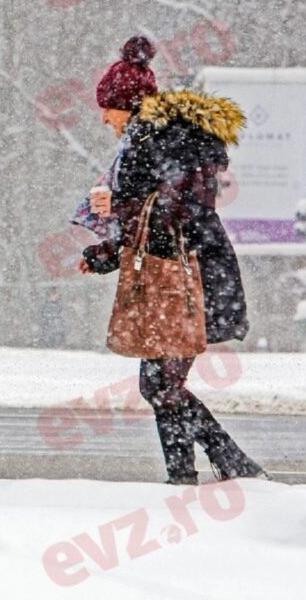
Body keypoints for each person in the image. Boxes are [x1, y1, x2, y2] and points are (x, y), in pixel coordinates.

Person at [78, 36, 266, 485]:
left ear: (129, 104)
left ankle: (235, 467)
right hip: (181, 277)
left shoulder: (167, 141)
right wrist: (104, 252)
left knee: (160, 385)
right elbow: (155, 214)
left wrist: (117, 210)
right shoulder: (153, 141)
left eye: (109, 107)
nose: (104, 117)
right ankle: (183, 477)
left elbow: (175, 211)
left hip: (189, 279)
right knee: (162, 386)